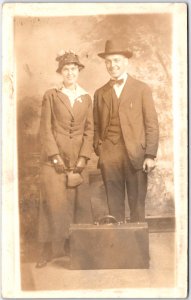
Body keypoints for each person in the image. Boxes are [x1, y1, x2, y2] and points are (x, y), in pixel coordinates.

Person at [36, 50, 94, 268]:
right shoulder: (51, 95)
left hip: (78, 162)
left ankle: (75, 247)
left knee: (79, 206)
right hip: (54, 162)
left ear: (78, 71)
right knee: (52, 204)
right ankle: (46, 250)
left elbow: (90, 131)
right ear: (60, 72)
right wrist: (54, 156)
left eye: (73, 69)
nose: (70, 73)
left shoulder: (86, 98)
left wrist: (83, 158)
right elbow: (45, 129)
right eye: (66, 69)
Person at [93, 40, 159, 223]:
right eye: (108, 61)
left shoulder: (142, 89)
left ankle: (137, 250)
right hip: (110, 155)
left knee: (137, 204)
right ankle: (118, 249)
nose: (112, 65)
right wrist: (100, 149)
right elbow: (96, 125)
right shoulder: (100, 93)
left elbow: (152, 124)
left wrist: (150, 155)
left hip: (136, 155)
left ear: (125, 62)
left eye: (116, 60)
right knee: (113, 206)